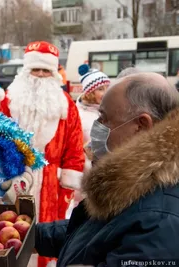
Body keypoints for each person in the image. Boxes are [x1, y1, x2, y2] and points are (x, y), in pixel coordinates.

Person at [35, 72, 179, 266]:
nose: (97, 126)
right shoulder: (136, 182)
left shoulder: (158, 219)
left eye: (103, 118)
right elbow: (92, 233)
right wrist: (28, 235)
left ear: (141, 125)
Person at [0, 41, 85, 267]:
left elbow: (75, 146)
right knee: (11, 229)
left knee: (48, 233)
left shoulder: (66, 104)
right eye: (35, 69)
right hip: (16, 175)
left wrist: (67, 183)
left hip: (51, 183)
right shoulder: (9, 100)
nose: (39, 75)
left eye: (46, 70)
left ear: (54, 73)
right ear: (25, 71)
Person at [76, 64, 110, 172]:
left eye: (107, 88)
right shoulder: (80, 115)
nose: (106, 93)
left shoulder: (107, 110)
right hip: (89, 169)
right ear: (90, 92)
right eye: (100, 89)